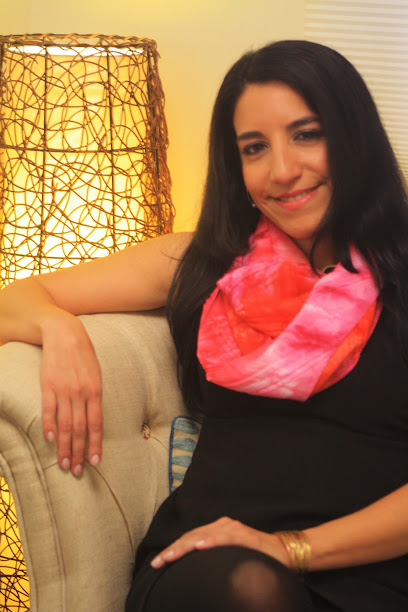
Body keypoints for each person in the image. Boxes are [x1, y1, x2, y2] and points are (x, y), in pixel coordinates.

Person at [1, 39, 408, 611]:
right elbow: (16, 298)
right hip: (213, 566)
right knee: (251, 590)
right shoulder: (206, 262)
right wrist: (57, 328)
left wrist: (292, 548)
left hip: (369, 568)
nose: (283, 171)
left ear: (353, 135)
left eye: (307, 135)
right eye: (254, 147)